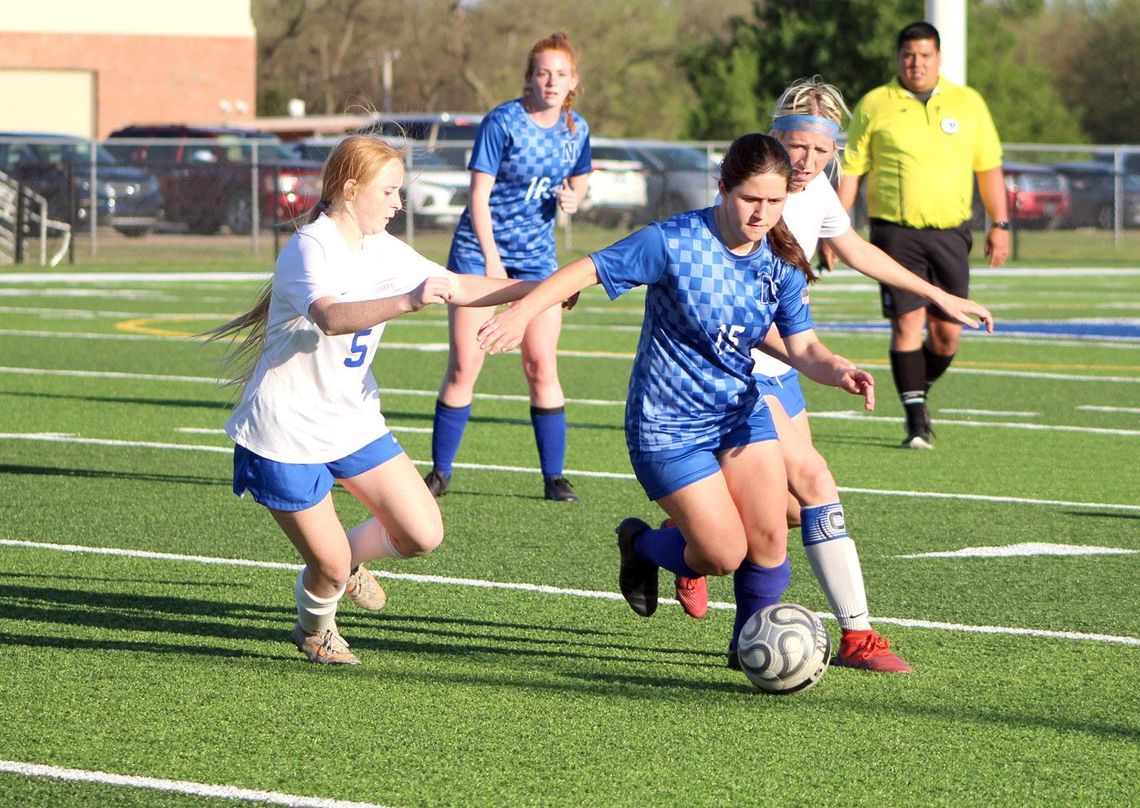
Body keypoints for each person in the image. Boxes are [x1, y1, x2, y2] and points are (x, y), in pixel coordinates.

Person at [477, 133, 875, 670]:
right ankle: (640, 546)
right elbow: (587, 269)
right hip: (666, 424)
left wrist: (840, 369)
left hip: (738, 413)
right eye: (750, 199)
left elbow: (802, 346)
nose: (762, 213)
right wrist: (524, 312)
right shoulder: (674, 241)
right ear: (722, 188)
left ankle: (745, 648)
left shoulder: (780, 260)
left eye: (775, 202)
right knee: (720, 553)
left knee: (770, 538)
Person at [671, 77, 996, 673]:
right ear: (774, 137)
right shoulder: (747, 194)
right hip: (739, 372)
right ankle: (857, 634)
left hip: (788, 366)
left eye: (822, 153)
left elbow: (855, 248)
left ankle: (677, 548)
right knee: (817, 482)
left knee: (791, 512)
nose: (807, 162)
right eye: (798, 147)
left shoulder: (817, 191)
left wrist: (938, 296)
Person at [206, 135, 537, 666]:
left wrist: (535, 288)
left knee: (422, 533)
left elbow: (453, 285)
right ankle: (314, 628)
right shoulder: (310, 246)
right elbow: (331, 318)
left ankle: (341, 562)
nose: (398, 204)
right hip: (286, 432)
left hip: (352, 421)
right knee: (330, 569)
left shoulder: (381, 246)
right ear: (350, 187)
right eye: (388, 192)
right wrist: (408, 300)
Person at [423, 31, 592, 502]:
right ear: (529, 78)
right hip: (481, 253)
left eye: (560, 74)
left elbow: (580, 180)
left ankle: (554, 476)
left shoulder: (576, 129)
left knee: (540, 363)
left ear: (572, 80)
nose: (551, 81)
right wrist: (492, 262)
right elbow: (478, 196)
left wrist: (575, 196)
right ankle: (440, 472)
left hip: (537, 259)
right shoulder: (504, 121)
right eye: (542, 73)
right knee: (465, 363)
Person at [838, 21, 1010, 450]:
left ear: (938, 58)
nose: (916, 63)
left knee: (948, 334)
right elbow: (853, 171)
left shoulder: (968, 103)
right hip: (896, 232)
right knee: (908, 322)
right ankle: (916, 422)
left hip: (952, 232)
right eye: (908, 55)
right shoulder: (875, 104)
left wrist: (1000, 224)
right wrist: (833, 229)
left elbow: (987, 167)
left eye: (924, 55)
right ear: (898, 58)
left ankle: (917, 391)